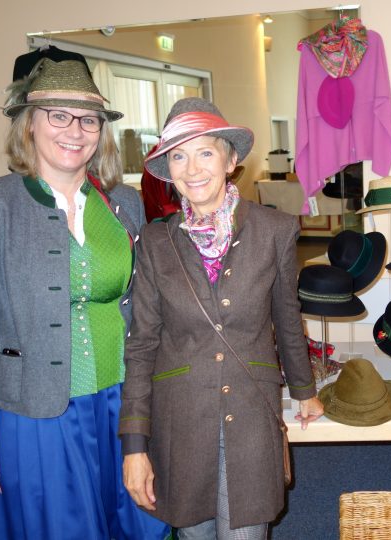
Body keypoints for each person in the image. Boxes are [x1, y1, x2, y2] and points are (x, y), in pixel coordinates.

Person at [0, 58, 170, 539]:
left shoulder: (125, 203)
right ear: (29, 123)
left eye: (88, 119)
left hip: (122, 399)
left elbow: (144, 306)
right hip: (33, 413)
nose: (75, 130)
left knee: (136, 518)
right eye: (59, 115)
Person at [119, 97, 324, 539]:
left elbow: (287, 317)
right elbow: (141, 345)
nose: (192, 169)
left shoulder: (275, 230)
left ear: (230, 161)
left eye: (205, 153)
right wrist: (134, 444)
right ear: (168, 170)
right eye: (179, 156)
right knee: (193, 532)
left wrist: (304, 390)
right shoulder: (154, 242)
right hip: (180, 414)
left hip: (250, 409)